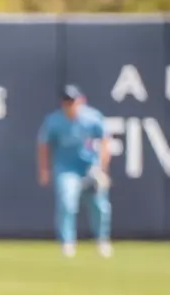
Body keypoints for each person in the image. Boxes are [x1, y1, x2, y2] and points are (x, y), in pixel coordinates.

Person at [36, 85, 113, 258]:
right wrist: (44, 169)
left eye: (73, 101)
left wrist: (102, 168)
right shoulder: (54, 121)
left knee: (99, 206)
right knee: (67, 202)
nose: (70, 105)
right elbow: (43, 145)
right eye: (66, 101)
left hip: (90, 167)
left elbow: (105, 140)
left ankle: (102, 240)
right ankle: (68, 242)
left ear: (81, 100)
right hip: (67, 168)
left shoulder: (92, 117)